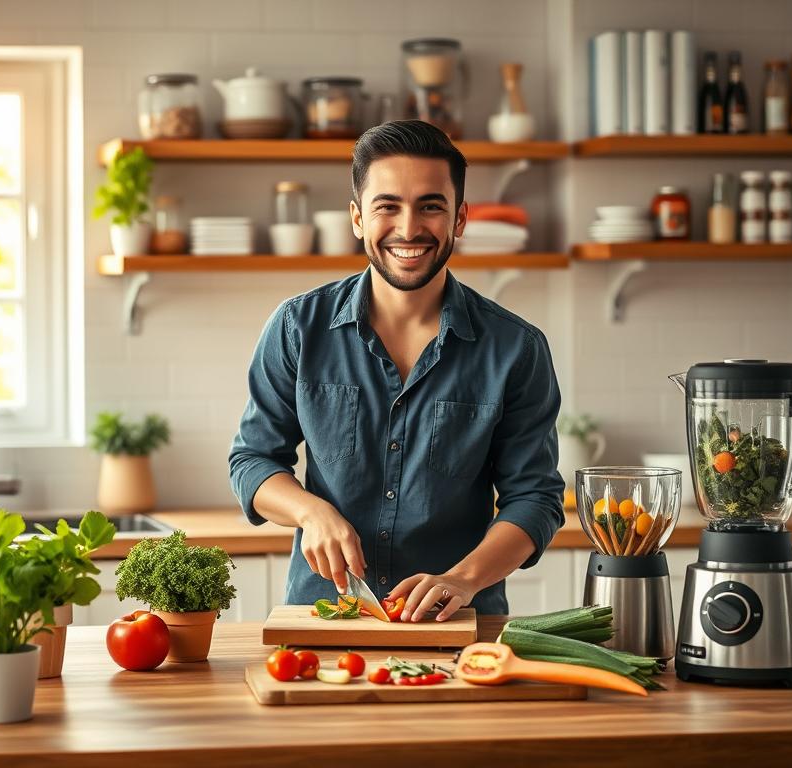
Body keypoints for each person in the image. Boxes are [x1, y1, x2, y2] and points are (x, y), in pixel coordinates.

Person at [228, 119, 564, 622]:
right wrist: (309, 511)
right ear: (358, 218)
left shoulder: (516, 348)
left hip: (458, 629)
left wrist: (464, 578)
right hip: (327, 620)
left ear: (459, 220)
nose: (409, 229)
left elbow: (535, 498)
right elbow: (252, 462)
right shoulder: (298, 328)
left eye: (431, 206)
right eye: (388, 206)